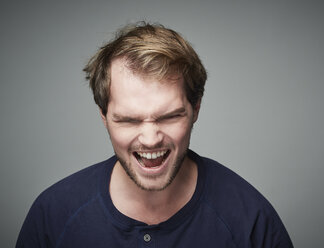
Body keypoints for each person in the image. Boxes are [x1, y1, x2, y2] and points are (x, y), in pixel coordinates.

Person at [16, 22, 293, 248]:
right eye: (128, 120)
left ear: (195, 109)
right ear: (103, 117)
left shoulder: (251, 220)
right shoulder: (52, 215)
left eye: (170, 116)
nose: (150, 139)